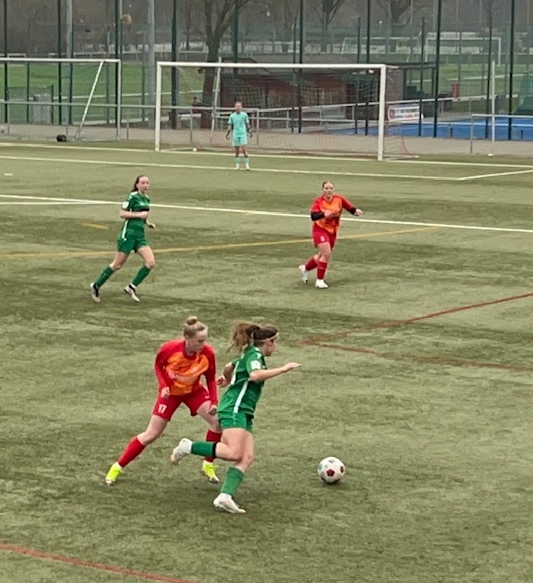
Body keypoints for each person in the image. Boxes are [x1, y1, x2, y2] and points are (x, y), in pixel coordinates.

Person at [168, 322, 300, 514]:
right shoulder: (255, 355)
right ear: (268, 342)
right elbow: (255, 375)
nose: (276, 346)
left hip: (245, 411)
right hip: (235, 408)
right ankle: (188, 446)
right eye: (275, 342)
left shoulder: (250, 353)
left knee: (247, 457)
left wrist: (228, 378)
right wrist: (283, 369)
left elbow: (230, 366)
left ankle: (225, 496)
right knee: (234, 453)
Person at [105, 317, 224, 487]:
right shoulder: (170, 349)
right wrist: (164, 386)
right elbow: (158, 366)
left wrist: (213, 401)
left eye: (205, 340)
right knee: (151, 434)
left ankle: (208, 464)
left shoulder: (207, 353)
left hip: (194, 392)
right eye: (200, 341)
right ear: (187, 338)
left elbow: (210, 378)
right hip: (171, 394)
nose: (203, 344)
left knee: (217, 421)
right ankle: (117, 467)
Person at [91, 175, 155, 303]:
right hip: (128, 235)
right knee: (117, 265)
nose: (145, 185)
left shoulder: (147, 199)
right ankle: (96, 285)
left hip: (140, 236)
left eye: (147, 183)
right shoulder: (132, 197)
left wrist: (147, 223)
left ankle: (131, 287)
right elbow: (122, 213)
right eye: (142, 183)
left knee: (150, 262)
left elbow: (144, 215)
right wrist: (139, 215)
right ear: (137, 184)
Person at [298, 181, 363, 289]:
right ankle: (319, 280)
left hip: (332, 231)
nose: (329, 190)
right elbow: (313, 216)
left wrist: (355, 211)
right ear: (323, 190)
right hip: (320, 229)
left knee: (321, 256)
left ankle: (305, 268)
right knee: (326, 253)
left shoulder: (339, 199)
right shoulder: (319, 201)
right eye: (326, 188)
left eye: (330, 188)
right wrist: (323, 214)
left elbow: (350, 207)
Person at [225, 100, 251, 170]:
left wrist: (249, 130)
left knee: (244, 149)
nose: (238, 108)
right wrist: (228, 132)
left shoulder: (244, 115)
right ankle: (237, 165)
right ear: (234, 107)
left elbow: (247, 123)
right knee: (237, 151)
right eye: (237, 106)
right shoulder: (232, 116)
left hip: (243, 133)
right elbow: (230, 125)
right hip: (235, 134)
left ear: (241, 107)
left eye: (239, 106)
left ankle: (247, 164)